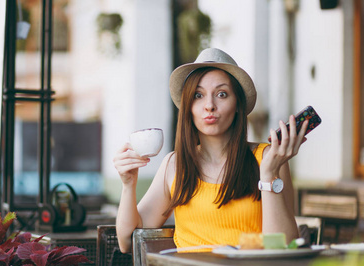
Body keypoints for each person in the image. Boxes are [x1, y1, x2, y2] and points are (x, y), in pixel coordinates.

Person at [113, 48, 308, 253]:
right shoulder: (174, 165)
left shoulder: (269, 159)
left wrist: (268, 174)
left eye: (222, 94)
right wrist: (128, 185)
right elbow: (127, 242)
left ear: (238, 104)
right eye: (198, 95)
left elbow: (283, 248)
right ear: (188, 106)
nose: (209, 106)